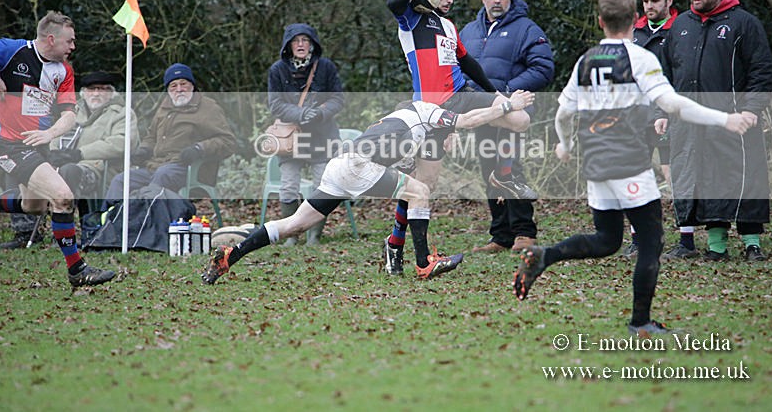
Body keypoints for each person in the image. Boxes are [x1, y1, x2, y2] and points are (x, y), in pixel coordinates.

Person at [512, 0, 754, 334]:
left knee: (607, 239)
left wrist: (565, 144)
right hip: (629, 162)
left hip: (595, 163)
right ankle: (640, 322)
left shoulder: (586, 60)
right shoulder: (640, 58)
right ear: (633, 21)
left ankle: (544, 255)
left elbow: (563, 112)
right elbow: (672, 105)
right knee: (651, 242)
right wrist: (725, 119)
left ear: (600, 21)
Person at [202, 89, 536, 285]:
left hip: (341, 166)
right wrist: (507, 105)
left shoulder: (408, 122)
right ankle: (424, 263)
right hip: (358, 166)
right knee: (419, 191)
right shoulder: (430, 111)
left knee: (294, 225)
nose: (449, 138)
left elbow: (410, 148)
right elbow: (466, 121)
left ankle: (232, 255)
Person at [385, 0, 536, 267]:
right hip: (431, 111)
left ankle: (502, 175)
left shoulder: (449, 26)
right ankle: (395, 243)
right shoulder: (412, 19)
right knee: (422, 184)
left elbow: (469, 65)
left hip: (462, 94)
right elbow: (393, 1)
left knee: (519, 118)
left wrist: (497, 97)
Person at [656, 0, 772, 262]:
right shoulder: (680, 25)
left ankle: (752, 243)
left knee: (744, 179)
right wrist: (663, 111)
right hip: (690, 122)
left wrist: (751, 109)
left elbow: (761, 70)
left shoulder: (744, 23)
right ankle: (716, 246)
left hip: (735, 119)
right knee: (703, 180)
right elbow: (666, 74)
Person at [0, 11, 115, 286]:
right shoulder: (11, 51)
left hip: (37, 143)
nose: (73, 47)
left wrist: (48, 134)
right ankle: (78, 270)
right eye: (70, 41)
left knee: (34, 206)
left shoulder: (64, 71)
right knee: (63, 197)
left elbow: (69, 115)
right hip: (8, 142)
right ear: (51, 39)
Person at [460, 0, 555, 253]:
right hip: (481, 111)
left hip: (512, 113)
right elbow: (457, 69)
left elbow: (543, 67)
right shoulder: (468, 31)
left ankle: (524, 232)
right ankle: (500, 235)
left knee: (509, 167)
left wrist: (509, 92)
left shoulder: (527, 29)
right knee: (488, 167)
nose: (497, 1)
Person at [0, 70, 140, 249]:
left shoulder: (121, 113)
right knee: (18, 170)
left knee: (70, 171)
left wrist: (80, 153)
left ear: (112, 93)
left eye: (102, 89)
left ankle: (67, 235)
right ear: (83, 92)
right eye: (91, 89)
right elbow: (52, 134)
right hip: (57, 162)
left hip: (94, 167)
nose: (96, 93)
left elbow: (122, 142)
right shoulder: (70, 111)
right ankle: (25, 231)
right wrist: (50, 154)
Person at [623, 0, 696, 259]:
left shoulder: (682, 29)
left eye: (655, 1)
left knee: (675, 175)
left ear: (669, 1)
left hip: (669, 114)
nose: (650, 6)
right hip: (636, 116)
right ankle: (639, 239)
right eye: (645, 1)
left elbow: (683, 74)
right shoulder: (634, 32)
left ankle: (686, 240)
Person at [103, 63, 236, 203]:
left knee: (162, 176)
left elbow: (227, 142)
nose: (179, 89)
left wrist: (199, 148)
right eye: (173, 85)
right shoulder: (165, 106)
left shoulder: (208, 108)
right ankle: (111, 220)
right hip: (156, 166)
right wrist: (144, 149)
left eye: (183, 84)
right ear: (167, 89)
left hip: (190, 169)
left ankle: (148, 220)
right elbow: (152, 136)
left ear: (192, 86)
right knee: (121, 180)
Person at [267, 23, 344, 246]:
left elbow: (338, 99)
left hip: (323, 135)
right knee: (288, 186)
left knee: (323, 186)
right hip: (291, 138)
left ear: (312, 44)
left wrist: (319, 113)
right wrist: (301, 113)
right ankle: (291, 235)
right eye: (296, 41)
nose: (301, 45)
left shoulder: (326, 67)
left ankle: (314, 236)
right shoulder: (277, 70)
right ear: (288, 45)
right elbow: (275, 105)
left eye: (305, 40)